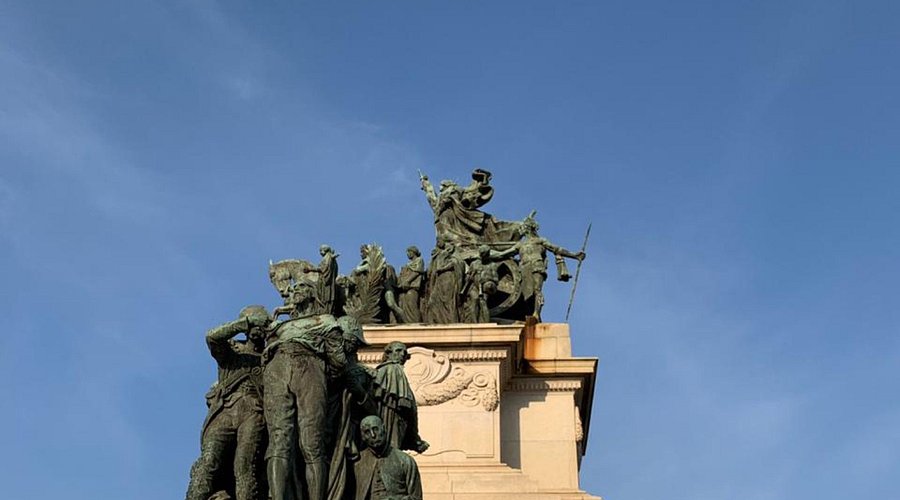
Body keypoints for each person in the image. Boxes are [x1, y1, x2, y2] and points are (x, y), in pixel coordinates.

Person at [263, 314, 353, 500]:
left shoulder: (280, 326)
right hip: (309, 367)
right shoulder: (327, 320)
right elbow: (340, 362)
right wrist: (326, 379)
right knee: (312, 443)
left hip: (276, 366)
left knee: (279, 441)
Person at [186, 306, 269, 500]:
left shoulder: (271, 357)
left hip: (255, 413)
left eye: (262, 323)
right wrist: (244, 323)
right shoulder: (232, 352)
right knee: (209, 462)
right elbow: (212, 338)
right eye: (255, 323)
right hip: (226, 410)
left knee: (245, 465)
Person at [514, 217, 585, 319]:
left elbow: (556, 249)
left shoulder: (540, 240)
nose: (520, 230)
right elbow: (501, 254)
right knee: (524, 293)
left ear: (528, 228)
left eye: (522, 227)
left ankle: (536, 313)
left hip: (536, 266)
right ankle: (528, 313)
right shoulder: (520, 245)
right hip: (523, 269)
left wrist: (574, 255)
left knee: (536, 290)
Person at [373, 342, 428, 453]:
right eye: (398, 351)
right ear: (388, 354)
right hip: (393, 418)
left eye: (404, 352)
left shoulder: (382, 371)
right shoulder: (393, 369)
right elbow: (404, 404)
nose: (402, 354)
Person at [354, 416, 423, 500]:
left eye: (375, 429)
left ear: (383, 429)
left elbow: (416, 497)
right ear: (363, 437)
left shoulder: (405, 461)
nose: (373, 435)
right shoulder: (357, 462)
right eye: (367, 432)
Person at [423, 240, 465, 324]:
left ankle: (451, 321)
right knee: (432, 302)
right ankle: (435, 322)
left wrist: (443, 267)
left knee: (448, 303)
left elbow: (455, 265)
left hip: (448, 281)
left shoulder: (454, 259)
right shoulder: (439, 256)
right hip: (439, 282)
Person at [396, 246, 425, 323]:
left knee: (411, 305)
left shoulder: (419, 260)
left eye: (409, 252)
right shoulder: (408, 264)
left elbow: (418, 271)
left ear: (414, 252)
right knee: (403, 305)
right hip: (404, 288)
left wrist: (408, 281)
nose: (408, 254)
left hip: (412, 287)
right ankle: (406, 322)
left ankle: (416, 322)